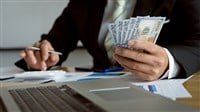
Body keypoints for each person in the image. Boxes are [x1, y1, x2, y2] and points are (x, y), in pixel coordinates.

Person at [15, 0, 200, 81]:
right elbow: (54, 43)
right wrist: (41, 56)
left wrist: (169, 62)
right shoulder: (83, 2)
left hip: (161, 92)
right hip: (96, 90)